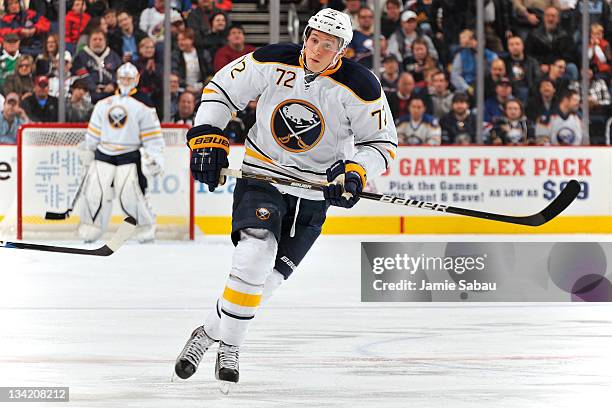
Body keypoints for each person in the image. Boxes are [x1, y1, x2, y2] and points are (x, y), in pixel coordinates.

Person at [174, 8, 396, 389]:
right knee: (253, 255)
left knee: (265, 284)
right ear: (305, 35)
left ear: (341, 50)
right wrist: (209, 132)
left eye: (328, 45)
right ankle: (231, 347)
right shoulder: (273, 59)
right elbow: (223, 88)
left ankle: (206, 334)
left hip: (312, 192)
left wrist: (356, 171)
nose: (317, 49)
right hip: (263, 175)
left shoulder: (361, 86)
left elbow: (381, 144)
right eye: (313, 39)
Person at [78, 62, 164, 243]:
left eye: (129, 78)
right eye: (123, 78)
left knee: (130, 194)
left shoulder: (144, 104)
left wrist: (155, 157)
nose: (126, 81)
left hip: (130, 155)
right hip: (104, 153)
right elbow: (93, 132)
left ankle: (145, 227)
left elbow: (153, 137)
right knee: (95, 191)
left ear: (136, 79)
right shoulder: (104, 103)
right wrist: (88, 148)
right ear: (117, 79)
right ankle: (91, 226)